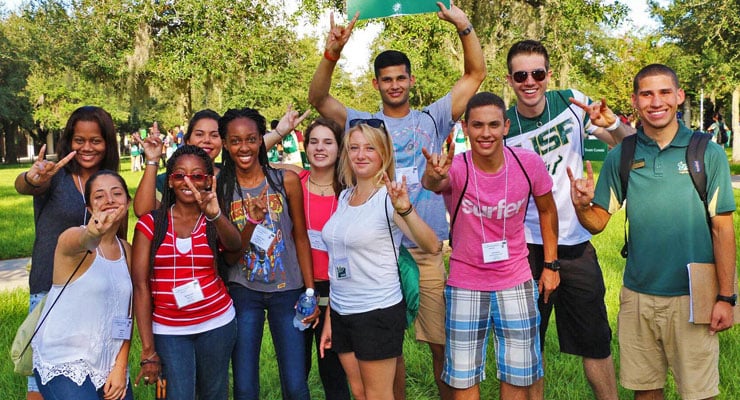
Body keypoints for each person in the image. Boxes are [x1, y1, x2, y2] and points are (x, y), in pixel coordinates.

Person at [308, 3, 486, 397]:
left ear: (410, 79)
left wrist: (463, 25)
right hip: (374, 258)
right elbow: (318, 99)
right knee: (386, 354)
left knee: (443, 346)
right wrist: (332, 53)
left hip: (424, 250)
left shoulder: (432, 118)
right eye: (386, 79)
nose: (394, 85)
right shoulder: (363, 125)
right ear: (376, 84)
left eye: (400, 78)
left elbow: (475, 75)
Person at [568, 63, 736, 400]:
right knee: (645, 391)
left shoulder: (707, 152)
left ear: (678, 96)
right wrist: (582, 206)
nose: (655, 101)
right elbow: (599, 222)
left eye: (663, 92)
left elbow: (722, 229)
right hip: (637, 297)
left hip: (693, 295)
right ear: (635, 101)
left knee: (699, 393)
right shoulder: (623, 155)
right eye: (646, 93)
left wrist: (726, 298)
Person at [504, 40, 634, 400]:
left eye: (538, 73)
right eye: (521, 75)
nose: (530, 81)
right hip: (526, 246)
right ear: (510, 79)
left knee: (596, 342)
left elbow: (629, 143)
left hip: (576, 243)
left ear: (549, 75)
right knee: (529, 346)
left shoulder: (572, 103)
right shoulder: (503, 125)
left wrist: (614, 124)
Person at [422, 92, 557, 399]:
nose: (486, 133)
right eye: (478, 125)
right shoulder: (455, 166)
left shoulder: (528, 164)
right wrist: (432, 176)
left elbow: (548, 210)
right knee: (463, 377)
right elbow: (434, 183)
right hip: (466, 282)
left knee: (519, 375)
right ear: (466, 128)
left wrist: (550, 264)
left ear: (506, 126)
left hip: (515, 279)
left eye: (494, 125)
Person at [319, 120, 438, 400]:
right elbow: (338, 262)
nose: (361, 155)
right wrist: (329, 319)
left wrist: (406, 209)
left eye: (370, 148)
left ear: (383, 153)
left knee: (378, 396)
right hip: (341, 311)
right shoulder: (345, 196)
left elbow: (432, 246)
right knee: (359, 392)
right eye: (354, 148)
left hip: (376, 311)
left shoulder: (389, 198)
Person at [15, 105, 122, 400]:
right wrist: (33, 177)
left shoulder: (109, 181)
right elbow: (25, 185)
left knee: (97, 375)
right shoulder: (55, 175)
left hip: (96, 295)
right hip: (50, 290)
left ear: (107, 143)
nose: (87, 147)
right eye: (79, 140)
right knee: (41, 384)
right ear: (69, 141)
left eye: (95, 140)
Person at [216, 107, 318, 400]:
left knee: (296, 384)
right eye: (235, 141)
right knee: (245, 386)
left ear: (262, 140)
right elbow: (229, 254)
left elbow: (300, 235)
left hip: (288, 290)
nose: (243, 147)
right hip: (243, 290)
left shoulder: (284, 181)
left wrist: (310, 290)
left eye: (251, 139)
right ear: (225, 143)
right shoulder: (221, 187)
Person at [132, 145, 241, 399]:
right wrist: (148, 349)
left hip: (217, 323)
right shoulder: (151, 223)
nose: (187, 181)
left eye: (197, 176)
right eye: (180, 175)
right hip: (169, 330)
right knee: (178, 395)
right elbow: (140, 286)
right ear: (169, 182)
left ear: (208, 181)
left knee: (214, 393)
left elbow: (235, 246)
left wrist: (215, 215)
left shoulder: (212, 219)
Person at [267, 117, 352, 399]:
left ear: (340, 148)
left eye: (328, 142)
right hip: (297, 287)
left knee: (335, 376)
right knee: (295, 375)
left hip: (337, 292)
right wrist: (280, 132)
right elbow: (254, 156)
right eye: (313, 141)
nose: (319, 148)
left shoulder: (350, 191)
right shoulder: (294, 180)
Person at [32, 170, 133, 400]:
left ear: (127, 203)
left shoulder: (126, 251)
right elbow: (83, 240)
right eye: (99, 196)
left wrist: (120, 367)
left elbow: (126, 315)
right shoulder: (72, 239)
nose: (109, 200)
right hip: (63, 360)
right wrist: (92, 233)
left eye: (116, 193)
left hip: (108, 362)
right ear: (88, 208)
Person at [133, 109, 223, 218]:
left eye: (214, 135)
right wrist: (153, 160)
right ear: (188, 140)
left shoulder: (230, 177)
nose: (207, 140)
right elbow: (143, 213)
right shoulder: (168, 180)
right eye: (199, 134)